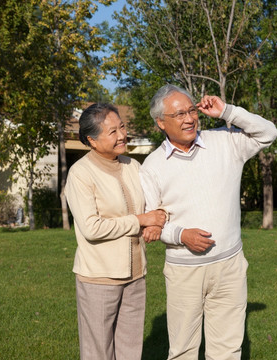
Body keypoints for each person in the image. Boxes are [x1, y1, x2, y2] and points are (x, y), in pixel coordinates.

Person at [140, 85, 277, 360]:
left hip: (230, 266)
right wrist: (181, 235)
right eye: (179, 114)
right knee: (183, 352)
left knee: (228, 350)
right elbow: (150, 223)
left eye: (192, 110)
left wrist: (227, 111)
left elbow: (268, 133)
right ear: (161, 122)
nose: (189, 118)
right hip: (184, 272)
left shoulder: (225, 141)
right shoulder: (152, 166)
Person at [65, 103, 167, 360]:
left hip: (136, 275)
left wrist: (155, 220)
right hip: (99, 278)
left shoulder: (133, 165)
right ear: (92, 140)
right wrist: (141, 220)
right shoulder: (80, 174)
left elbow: (156, 201)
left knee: (130, 351)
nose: (122, 135)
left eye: (122, 126)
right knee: (98, 352)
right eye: (112, 131)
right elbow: (92, 228)